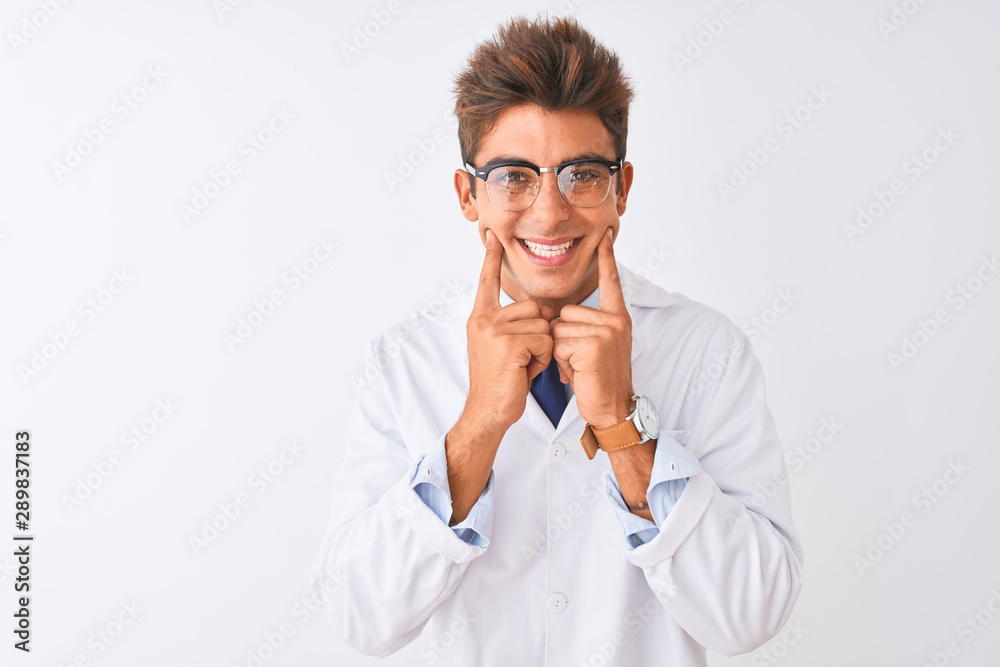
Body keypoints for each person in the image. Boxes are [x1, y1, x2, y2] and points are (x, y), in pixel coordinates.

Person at [311, 15, 803, 666]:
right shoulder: (404, 362)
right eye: (515, 175)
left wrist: (623, 426)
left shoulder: (708, 349)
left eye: (582, 174)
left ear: (620, 189)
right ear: (468, 195)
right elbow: (361, 616)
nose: (549, 210)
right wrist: (478, 425)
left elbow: (750, 614)